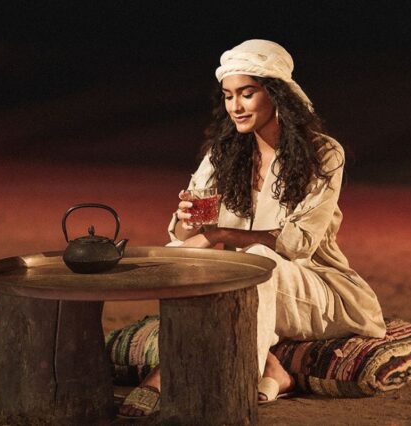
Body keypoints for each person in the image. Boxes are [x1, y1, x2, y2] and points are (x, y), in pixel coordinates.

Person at [119, 39, 386, 418]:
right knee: (180, 255)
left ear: (276, 95)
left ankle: (171, 376)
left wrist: (221, 234)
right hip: (238, 282)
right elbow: (183, 235)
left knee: (258, 262)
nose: (235, 107)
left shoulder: (323, 153)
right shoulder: (224, 153)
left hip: (311, 286)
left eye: (247, 94)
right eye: (229, 96)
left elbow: (296, 246)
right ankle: (272, 370)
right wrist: (186, 218)